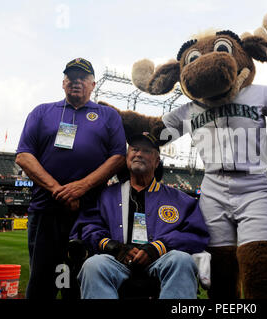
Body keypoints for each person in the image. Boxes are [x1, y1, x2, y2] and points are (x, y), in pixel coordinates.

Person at [16, 58, 127, 299]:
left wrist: (82, 186)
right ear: (63, 82)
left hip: (90, 214)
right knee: (42, 281)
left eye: (82, 78)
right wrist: (59, 189)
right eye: (71, 77)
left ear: (93, 84)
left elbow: (119, 156)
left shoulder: (108, 116)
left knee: (82, 281)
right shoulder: (42, 111)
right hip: (47, 210)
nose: (76, 82)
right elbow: (24, 155)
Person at [72, 132, 210, 299]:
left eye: (146, 151)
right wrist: (113, 247)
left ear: (157, 161)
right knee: (93, 265)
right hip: (117, 261)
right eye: (134, 149)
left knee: (181, 260)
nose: (138, 154)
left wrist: (158, 247)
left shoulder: (181, 200)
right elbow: (87, 227)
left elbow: (196, 234)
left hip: (161, 260)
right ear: (127, 157)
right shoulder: (105, 196)